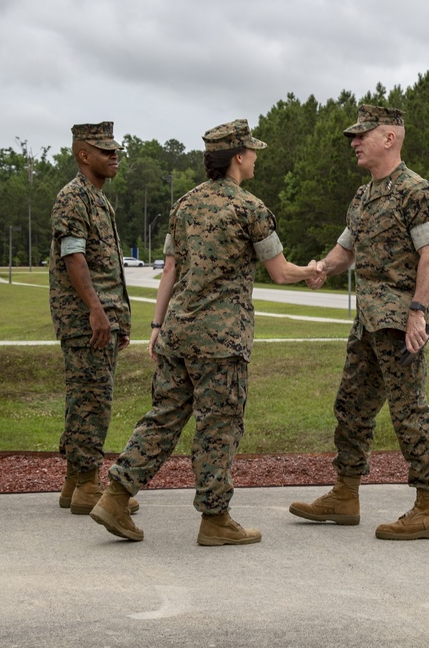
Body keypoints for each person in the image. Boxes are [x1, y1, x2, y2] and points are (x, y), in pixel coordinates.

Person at [90, 119, 321, 546]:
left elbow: (170, 271)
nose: (255, 157)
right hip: (222, 340)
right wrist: (312, 271)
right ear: (237, 157)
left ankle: (115, 496)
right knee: (219, 426)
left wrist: (157, 327)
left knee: (163, 417)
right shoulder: (250, 209)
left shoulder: (184, 205)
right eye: (251, 151)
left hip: (178, 332)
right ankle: (215, 520)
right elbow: (280, 271)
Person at [289, 104, 429, 540]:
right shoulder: (363, 196)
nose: (355, 142)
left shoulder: (417, 192)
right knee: (351, 407)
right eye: (353, 137)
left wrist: (418, 312)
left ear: (389, 138)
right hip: (367, 323)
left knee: (409, 410)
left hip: (400, 324)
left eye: (362, 135)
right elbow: (347, 250)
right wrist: (322, 267)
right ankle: (345, 494)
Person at [48, 121, 139, 517]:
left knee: (87, 396)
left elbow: (106, 268)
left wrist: (116, 316)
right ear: (83, 155)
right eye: (105, 151)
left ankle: (74, 482)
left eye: (116, 149)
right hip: (86, 320)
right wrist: (97, 312)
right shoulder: (74, 198)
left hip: (101, 318)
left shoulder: (98, 199)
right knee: (92, 400)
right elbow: (74, 257)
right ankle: (88, 484)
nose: (115, 156)